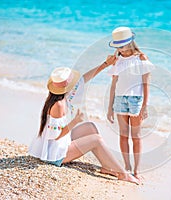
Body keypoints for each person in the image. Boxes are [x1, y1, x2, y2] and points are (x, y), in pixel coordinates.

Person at [28, 56, 139, 184]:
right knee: (96, 140)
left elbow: (85, 78)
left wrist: (106, 64)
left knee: (90, 127)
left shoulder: (63, 96)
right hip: (55, 156)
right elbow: (56, 136)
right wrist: (75, 121)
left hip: (58, 146)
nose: (75, 83)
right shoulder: (58, 105)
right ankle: (123, 174)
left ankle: (106, 167)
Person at [107, 27, 155, 179]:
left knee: (136, 136)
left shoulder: (141, 59)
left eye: (122, 45)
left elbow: (146, 84)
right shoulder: (117, 60)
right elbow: (113, 85)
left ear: (130, 43)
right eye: (117, 46)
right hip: (120, 100)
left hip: (136, 100)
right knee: (123, 135)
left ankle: (137, 170)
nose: (120, 49)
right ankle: (126, 167)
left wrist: (145, 106)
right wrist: (110, 108)